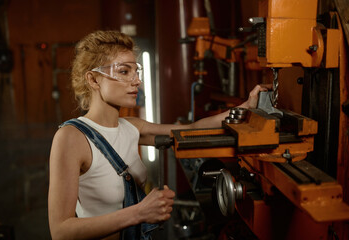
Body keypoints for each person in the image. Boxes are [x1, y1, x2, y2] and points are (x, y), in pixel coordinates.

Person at [48, 30, 270, 240]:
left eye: (136, 72)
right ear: (93, 79)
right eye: (124, 71)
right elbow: (61, 231)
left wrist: (246, 107)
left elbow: (191, 131)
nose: (136, 81)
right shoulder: (71, 137)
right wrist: (139, 213)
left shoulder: (131, 127)